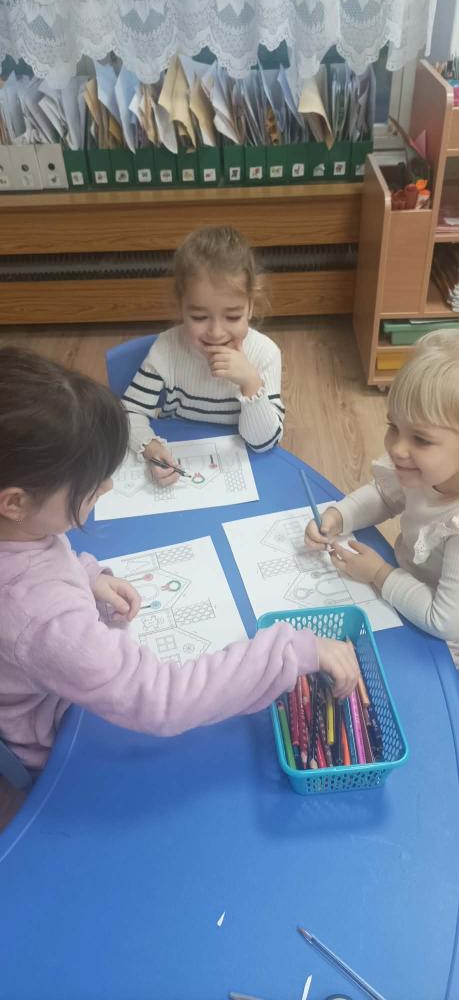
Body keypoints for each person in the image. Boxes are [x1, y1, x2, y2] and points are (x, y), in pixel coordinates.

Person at [0, 347, 358, 771]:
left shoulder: (20, 528)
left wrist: (87, 575)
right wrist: (292, 652)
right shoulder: (44, 618)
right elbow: (162, 698)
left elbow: (34, 560)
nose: (108, 487)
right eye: (90, 488)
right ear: (15, 502)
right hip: (61, 746)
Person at [305, 330, 459, 659]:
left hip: (444, 646)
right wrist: (338, 516)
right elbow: (385, 494)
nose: (397, 448)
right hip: (406, 590)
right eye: (393, 426)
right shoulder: (426, 468)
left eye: (421, 439)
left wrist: (379, 574)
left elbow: (444, 620)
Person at [122, 225, 285, 486]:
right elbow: (128, 412)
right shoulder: (167, 349)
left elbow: (264, 443)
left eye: (233, 316)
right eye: (199, 317)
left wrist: (251, 384)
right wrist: (150, 447)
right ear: (181, 308)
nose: (216, 332)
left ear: (250, 307)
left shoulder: (264, 354)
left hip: (242, 468)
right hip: (182, 461)